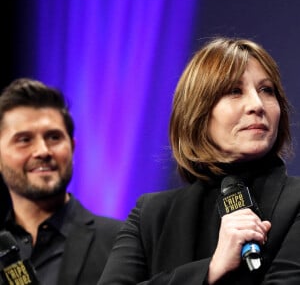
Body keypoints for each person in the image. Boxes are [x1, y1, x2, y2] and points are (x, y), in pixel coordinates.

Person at [98, 37, 300, 284]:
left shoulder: (296, 201)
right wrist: (212, 269)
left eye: (266, 90)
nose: (257, 105)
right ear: (198, 113)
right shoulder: (151, 215)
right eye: (234, 91)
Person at [0, 78, 122, 285]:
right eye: (24, 140)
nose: (43, 151)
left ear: (72, 147)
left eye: (54, 137)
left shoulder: (121, 242)